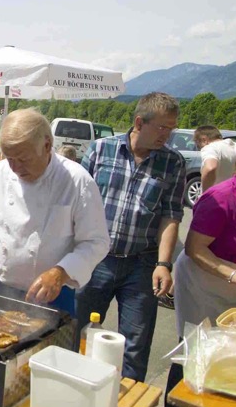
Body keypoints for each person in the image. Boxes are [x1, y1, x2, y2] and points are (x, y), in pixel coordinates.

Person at [0, 108, 110, 407]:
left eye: (23, 159)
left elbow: (97, 242)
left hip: (54, 300)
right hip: (0, 292)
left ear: (47, 145)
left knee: (44, 393)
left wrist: (61, 270)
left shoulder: (77, 181)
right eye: (9, 157)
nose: (15, 168)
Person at [78, 92, 185, 382]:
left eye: (171, 128)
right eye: (162, 127)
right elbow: (75, 203)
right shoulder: (101, 150)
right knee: (77, 335)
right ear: (139, 122)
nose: (168, 134)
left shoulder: (172, 163)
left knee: (134, 347)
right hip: (94, 261)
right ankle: (73, 397)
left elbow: (171, 217)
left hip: (141, 265)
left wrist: (164, 264)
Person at [162, 152, 236, 407]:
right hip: (202, 281)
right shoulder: (219, 198)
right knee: (195, 347)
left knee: (233, 351)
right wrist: (234, 274)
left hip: (235, 285)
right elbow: (195, 248)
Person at [194, 125, 236, 192]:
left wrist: (206, 194)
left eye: (197, 143)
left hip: (218, 197)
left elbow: (210, 168)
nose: (198, 147)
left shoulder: (210, 148)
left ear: (204, 139)